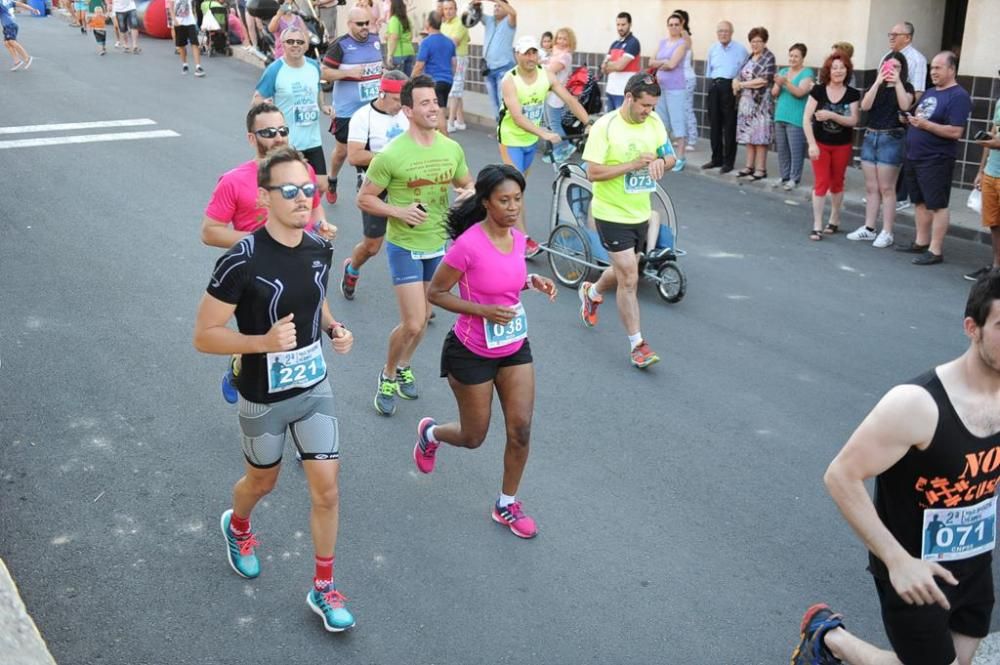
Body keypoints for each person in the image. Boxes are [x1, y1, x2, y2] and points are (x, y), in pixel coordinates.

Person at [791, 271, 1000, 665]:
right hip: (912, 570)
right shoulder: (917, 405)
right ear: (972, 328)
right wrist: (896, 560)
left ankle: (827, 637)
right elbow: (841, 475)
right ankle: (829, 638)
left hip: (974, 565)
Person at [193, 146, 357, 635]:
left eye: (308, 188)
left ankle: (324, 587)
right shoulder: (241, 259)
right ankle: (238, 526)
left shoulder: (319, 247)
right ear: (264, 198)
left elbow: (316, 295)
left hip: (313, 385)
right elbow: (204, 336)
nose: (304, 198)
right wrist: (261, 341)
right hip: (262, 395)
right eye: (290, 191)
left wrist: (332, 328)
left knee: (327, 490)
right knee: (262, 482)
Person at [418, 164, 558, 539]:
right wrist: (483, 311)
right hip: (471, 350)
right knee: (473, 436)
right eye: (504, 200)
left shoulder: (516, 237)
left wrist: (531, 281)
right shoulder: (468, 245)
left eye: (518, 199)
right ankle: (431, 434)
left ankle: (506, 504)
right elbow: (436, 293)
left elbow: (503, 282)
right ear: (485, 202)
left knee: (521, 430)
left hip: (513, 346)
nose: (513, 208)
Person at [356, 75, 474, 416]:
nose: (433, 106)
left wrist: (468, 194)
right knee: (412, 321)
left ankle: (405, 364)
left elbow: (467, 183)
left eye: (435, 100)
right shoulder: (391, 154)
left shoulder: (451, 149)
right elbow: (364, 199)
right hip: (404, 245)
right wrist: (398, 210)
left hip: (437, 246)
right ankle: (388, 374)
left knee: (423, 322)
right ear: (407, 110)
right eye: (424, 102)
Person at [202, 103, 334, 403]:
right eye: (268, 132)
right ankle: (241, 370)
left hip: (300, 263)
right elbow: (209, 231)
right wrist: (265, 241)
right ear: (252, 138)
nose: (278, 137)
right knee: (260, 337)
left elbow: (315, 211)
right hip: (256, 274)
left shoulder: (305, 170)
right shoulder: (234, 180)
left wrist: (322, 226)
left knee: (302, 330)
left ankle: (307, 416)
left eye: (283, 130)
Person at [578, 73, 674, 368]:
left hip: (640, 212)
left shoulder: (655, 124)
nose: (649, 111)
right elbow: (592, 172)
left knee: (624, 271)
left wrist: (662, 162)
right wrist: (631, 165)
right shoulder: (605, 128)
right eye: (645, 105)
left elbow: (670, 157)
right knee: (630, 277)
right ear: (629, 97)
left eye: (653, 106)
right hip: (610, 213)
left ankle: (591, 292)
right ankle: (638, 345)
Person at [497, 34, 591, 256]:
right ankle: (522, 241)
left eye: (534, 52)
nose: (531, 57)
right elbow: (518, 118)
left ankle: (501, 224)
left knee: (518, 191)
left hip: (529, 141)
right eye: (526, 53)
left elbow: (568, 99)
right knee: (515, 190)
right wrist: (545, 134)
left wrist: (589, 123)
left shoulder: (545, 75)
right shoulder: (509, 80)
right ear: (516, 55)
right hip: (511, 140)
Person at [895, 52, 971, 266]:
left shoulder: (958, 96)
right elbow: (920, 118)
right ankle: (921, 241)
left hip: (936, 158)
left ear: (951, 70)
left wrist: (926, 125)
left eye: (938, 68)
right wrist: (908, 119)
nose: (933, 72)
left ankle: (935, 250)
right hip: (914, 155)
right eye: (932, 68)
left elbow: (956, 131)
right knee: (919, 201)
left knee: (937, 204)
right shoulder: (930, 92)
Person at [340, 71, 409, 300]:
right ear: (382, 93)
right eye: (397, 99)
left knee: (415, 242)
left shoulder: (408, 114)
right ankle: (352, 268)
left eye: (404, 99)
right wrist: (389, 159)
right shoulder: (363, 117)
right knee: (372, 246)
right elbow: (354, 156)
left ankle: (420, 299)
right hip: (374, 187)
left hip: (406, 185)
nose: (401, 105)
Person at [254, 26, 333, 199]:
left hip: (312, 139)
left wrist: (323, 106)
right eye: (290, 42)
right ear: (282, 44)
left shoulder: (313, 66)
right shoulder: (275, 69)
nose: (295, 45)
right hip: (288, 141)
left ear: (305, 45)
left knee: (321, 185)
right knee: (289, 188)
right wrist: (266, 107)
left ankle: (308, 220)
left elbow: (317, 88)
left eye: (299, 42)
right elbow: (257, 99)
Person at [846, 52, 914, 249]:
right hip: (871, 136)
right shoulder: (877, 85)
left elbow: (905, 105)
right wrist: (877, 81)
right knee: (871, 187)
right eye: (887, 66)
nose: (891, 71)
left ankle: (887, 231)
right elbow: (865, 105)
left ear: (903, 70)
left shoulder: (906, 87)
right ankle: (869, 228)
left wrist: (898, 83)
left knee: (887, 188)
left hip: (891, 137)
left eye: (896, 67)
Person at [321, 6, 383, 204]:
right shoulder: (340, 45)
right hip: (347, 111)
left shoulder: (375, 40)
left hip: (372, 108)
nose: (365, 27)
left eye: (367, 23)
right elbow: (324, 73)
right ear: (349, 24)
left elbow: (378, 68)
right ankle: (332, 178)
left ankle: (363, 178)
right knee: (342, 152)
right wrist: (347, 73)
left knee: (368, 146)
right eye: (360, 24)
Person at [803, 51, 860, 242]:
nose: (838, 71)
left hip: (842, 145)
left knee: (837, 182)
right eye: (834, 68)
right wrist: (811, 144)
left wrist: (832, 115)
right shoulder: (818, 90)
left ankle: (834, 217)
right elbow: (806, 119)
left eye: (842, 67)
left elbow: (853, 120)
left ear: (847, 70)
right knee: (821, 182)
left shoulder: (852, 94)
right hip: (820, 143)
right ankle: (817, 224)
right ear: (828, 70)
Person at [888, 21, 928, 213]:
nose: (891, 37)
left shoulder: (917, 59)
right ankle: (886, 193)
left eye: (896, 34)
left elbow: (919, 91)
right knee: (888, 155)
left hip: (904, 114)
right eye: (890, 34)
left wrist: (907, 113)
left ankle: (900, 196)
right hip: (886, 114)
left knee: (903, 155)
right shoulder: (888, 57)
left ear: (908, 37)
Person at [701, 21, 748, 174]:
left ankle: (728, 162)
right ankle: (716, 159)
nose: (723, 34)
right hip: (715, 86)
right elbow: (710, 71)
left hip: (730, 88)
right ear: (717, 33)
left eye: (726, 31)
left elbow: (745, 71)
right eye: (720, 31)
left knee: (729, 126)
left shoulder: (740, 49)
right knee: (714, 125)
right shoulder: (713, 49)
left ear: (732, 32)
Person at [734, 26, 776, 180]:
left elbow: (763, 80)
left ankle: (760, 169)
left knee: (760, 137)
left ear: (764, 42)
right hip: (746, 102)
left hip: (761, 103)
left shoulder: (769, 57)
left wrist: (742, 85)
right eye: (753, 41)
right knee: (748, 135)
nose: (755, 44)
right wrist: (736, 81)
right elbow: (740, 74)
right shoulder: (749, 57)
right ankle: (748, 166)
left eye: (759, 41)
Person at [770, 43, 813, 191]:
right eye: (791, 56)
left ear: (802, 58)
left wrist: (786, 82)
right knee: (782, 149)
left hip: (796, 117)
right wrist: (778, 83)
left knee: (796, 150)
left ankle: (795, 178)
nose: (793, 59)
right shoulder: (783, 71)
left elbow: (800, 92)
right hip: (780, 115)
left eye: (796, 56)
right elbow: (774, 93)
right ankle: (784, 176)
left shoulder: (807, 73)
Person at [649, 13, 689, 170]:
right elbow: (650, 61)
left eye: (676, 24)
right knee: (661, 122)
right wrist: (663, 62)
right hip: (660, 88)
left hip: (676, 88)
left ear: (681, 26)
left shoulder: (682, 43)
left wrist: (660, 63)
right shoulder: (662, 42)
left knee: (678, 121)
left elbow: (672, 65)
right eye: (670, 24)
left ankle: (680, 156)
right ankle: (665, 155)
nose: (673, 27)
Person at [966, 97, 1000, 281]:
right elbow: (994, 132)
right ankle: (996, 268)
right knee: (994, 223)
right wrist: (981, 170)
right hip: (991, 172)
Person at [411, 10, 455, 134]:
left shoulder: (426, 42)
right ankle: (438, 140)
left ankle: (446, 142)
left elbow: (419, 65)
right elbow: (454, 63)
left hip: (434, 82)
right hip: (448, 81)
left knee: (438, 112)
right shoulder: (449, 41)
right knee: (441, 108)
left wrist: (411, 80)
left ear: (428, 23)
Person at [477, 0, 517, 121]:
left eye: (500, 6)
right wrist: (475, 4)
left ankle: (507, 130)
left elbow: (513, 13)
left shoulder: (510, 21)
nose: (496, 8)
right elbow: (476, 15)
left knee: (503, 101)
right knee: (494, 103)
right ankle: (500, 129)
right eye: (495, 6)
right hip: (488, 69)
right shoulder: (489, 20)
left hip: (504, 68)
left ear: (506, 8)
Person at [601, 12, 640, 112]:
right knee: (610, 122)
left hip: (624, 93)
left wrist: (610, 65)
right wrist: (612, 65)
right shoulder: (615, 44)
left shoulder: (633, 43)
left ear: (630, 25)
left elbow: (620, 66)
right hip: (610, 91)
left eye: (623, 24)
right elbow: (603, 68)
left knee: (622, 124)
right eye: (618, 24)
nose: (620, 28)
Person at [440, 0, 469, 133]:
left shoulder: (461, 23)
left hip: (459, 58)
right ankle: (460, 120)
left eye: (451, 8)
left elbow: (454, 43)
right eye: (446, 9)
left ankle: (450, 122)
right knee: (456, 89)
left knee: (454, 90)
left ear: (456, 9)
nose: (448, 11)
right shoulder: (444, 24)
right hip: (447, 58)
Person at [543, 26, 575, 143]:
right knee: (552, 124)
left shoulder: (565, 56)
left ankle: (564, 148)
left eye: (564, 39)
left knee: (554, 124)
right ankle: (560, 148)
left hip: (557, 95)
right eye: (559, 38)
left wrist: (541, 64)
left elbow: (551, 69)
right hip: (552, 93)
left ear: (570, 41)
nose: (560, 41)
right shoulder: (557, 54)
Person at [672, 9, 698, 150]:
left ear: (683, 22)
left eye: (678, 21)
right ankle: (682, 136)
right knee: (679, 109)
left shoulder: (685, 37)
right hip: (677, 79)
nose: (674, 26)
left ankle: (692, 139)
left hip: (686, 78)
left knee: (687, 109)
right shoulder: (674, 38)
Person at [167, 0, 205, 77]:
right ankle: (185, 65)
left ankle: (198, 67)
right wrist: (174, 20)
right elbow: (170, 8)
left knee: (195, 43)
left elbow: (193, 6)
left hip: (190, 22)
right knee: (181, 46)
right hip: (179, 23)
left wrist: (195, 18)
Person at [1, 0, 38, 69]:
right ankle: (17, 61)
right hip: (8, 25)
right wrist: (32, 9)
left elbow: (20, 4)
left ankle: (27, 58)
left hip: (10, 25)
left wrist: (32, 9)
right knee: (7, 43)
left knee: (12, 41)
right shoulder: (8, 2)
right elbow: (21, 4)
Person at [384, 0, 414, 75]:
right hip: (410, 52)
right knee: (407, 82)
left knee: (398, 83)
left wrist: (389, 55)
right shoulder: (407, 19)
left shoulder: (394, 19)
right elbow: (410, 37)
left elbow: (394, 37)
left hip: (399, 54)